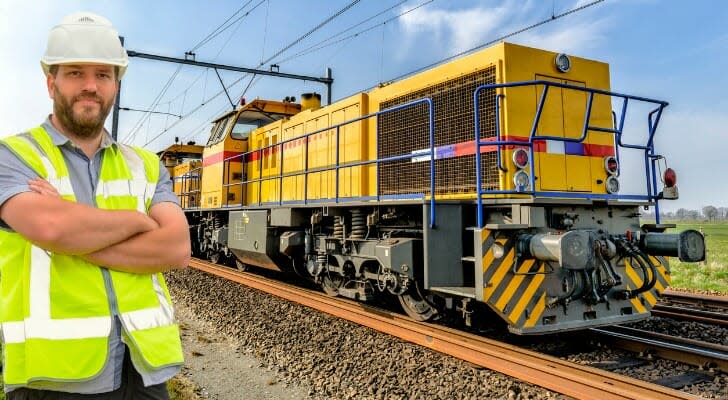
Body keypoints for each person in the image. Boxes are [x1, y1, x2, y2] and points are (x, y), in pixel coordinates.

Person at [0, 12, 190, 400]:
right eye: (75, 73)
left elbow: (177, 248)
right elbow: (53, 229)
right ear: (50, 82)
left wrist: (73, 230)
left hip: (144, 370)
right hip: (53, 378)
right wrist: (139, 220)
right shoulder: (14, 156)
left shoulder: (147, 164)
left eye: (103, 75)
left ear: (116, 86)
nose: (90, 86)